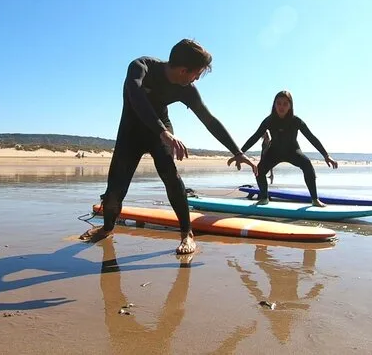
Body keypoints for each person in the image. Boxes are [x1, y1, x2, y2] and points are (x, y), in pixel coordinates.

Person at [80, 39, 257, 254]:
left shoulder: (187, 89)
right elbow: (136, 97)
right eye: (197, 73)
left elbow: (209, 119)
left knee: (171, 177)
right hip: (131, 132)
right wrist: (163, 132)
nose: (197, 78)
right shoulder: (141, 67)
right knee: (115, 190)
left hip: (161, 132)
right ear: (183, 70)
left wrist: (237, 152)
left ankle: (187, 234)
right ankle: (107, 228)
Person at [229, 90, 338, 207]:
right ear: (274, 104)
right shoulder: (269, 120)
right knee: (259, 169)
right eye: (279, 103)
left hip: (293, 151)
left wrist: (326, 155)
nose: (281, 106)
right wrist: (239, 153)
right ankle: (264, 198)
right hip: (274, 152)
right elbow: (255, 137)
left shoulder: (296, 121)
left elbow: (311, 137)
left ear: (290, 106)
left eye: (285, 104)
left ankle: (315, 199)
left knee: (307, 165)